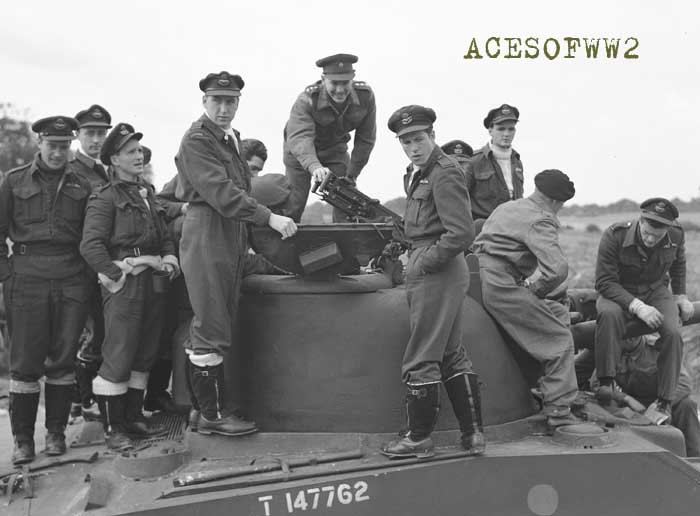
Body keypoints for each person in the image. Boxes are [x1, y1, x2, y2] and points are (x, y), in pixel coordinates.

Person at [175, 71, 297, 437]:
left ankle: (203, 410)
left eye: (231, 102)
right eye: (218, 101)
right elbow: (222, 192)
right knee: (211, 324)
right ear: (205, 102)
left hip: (228, 232)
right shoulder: (197, 140)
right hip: (208, 230)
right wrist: (269, 217)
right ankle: (213, 417)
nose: (225, 108)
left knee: (218, 320)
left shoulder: (229, 139)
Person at [380, 105, 484, 459]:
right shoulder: (418, 173)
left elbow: (461, 232)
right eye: (406, 141)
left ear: (432, 137)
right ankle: (473, 435)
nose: (413, 146)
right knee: (452, 352)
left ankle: (419, 436)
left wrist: (424, 262)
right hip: (438, 266)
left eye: (419, 139)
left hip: (436, 268)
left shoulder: (444, 172)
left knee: (422, 354)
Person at [80, 123, 179, 451]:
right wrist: (115, 274)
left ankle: (134, 417)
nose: (139, 156)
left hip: (153, 283)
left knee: (145, 351)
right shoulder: (105, 198)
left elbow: (163, 233)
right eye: (131, 152)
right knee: (120, 354)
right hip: (126, 285)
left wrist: (169, 257)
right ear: (115, 160)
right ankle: (113, 428)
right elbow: (90, 245)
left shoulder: (147, 192)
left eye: (139, 151)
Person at [0, 116, 92, 464]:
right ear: (39, 142)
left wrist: (83, 278)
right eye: (52, 145)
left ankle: (55, 433)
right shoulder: (13, 181)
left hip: (70, 278)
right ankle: (23, 440)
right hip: (26, 279)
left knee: (63, 359)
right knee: (24, 364)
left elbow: (89, 236)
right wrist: (7, 275)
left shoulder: (82, 185)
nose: (58, 152)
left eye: (64, 145)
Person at [473, 169, 578, 418]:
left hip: (478, 275)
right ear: (555, 201)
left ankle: (539, 385)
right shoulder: (541, 219)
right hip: (501, 284)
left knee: (557, 312)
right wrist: (535, 291)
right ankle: (558, 407)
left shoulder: (508, 207)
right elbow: (557, 270)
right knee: (560, 340)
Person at [594, 198, 692, 421]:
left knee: (673, 331)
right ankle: (606, 382)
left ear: (667, 229)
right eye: (646, 233)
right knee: (609, 315)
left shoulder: (676, 234)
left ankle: (664, 401)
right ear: (640, 221)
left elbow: (679, 265)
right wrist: (637, 307)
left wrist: (680, 296)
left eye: (656, 237)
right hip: (617, 290)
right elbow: (604, 282)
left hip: (655, 290)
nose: (650, 239)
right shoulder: (615, 235)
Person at [283, 53, 376, 222]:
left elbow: (366, 139)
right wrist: (314, 166)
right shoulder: (307, 100)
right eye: (334, 83)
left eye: (345, 83)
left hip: (336, 151)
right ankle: (284, 244)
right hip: (299, 154)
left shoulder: (365, 97)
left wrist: (352, 175)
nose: (340, 90)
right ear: (323, 79)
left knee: (347, 202)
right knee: (294, 204)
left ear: (353, 79)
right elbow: (300, 138)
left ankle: (345, 246)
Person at [575, 335, 700, 456]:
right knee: (604, 403)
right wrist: (624, 398)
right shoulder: (611, 349)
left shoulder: (659, 347)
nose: (629, 337)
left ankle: (694, 458)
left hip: (660, 400)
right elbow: (597, 384)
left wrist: (660, 405)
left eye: (633, 333)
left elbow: (684, 384)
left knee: (687, 405)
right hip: (629, 403)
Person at [69, 104, 113, 422]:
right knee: (91, 333)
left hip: (100, 260)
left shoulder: (103, 171)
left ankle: (81, 398)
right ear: (78, 135)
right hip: (79, 263)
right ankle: (84, 401)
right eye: (90, 133)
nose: (96, 140)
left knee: (100, 329)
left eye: (101, 133)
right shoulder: (72, 172)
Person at [464, 104, 524, 225]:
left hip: (511, 229)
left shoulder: (517, 162)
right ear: (490, 131)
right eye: (501, 129)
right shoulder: (474, 161)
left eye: (511, 129)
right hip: (483, 231)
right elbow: (460, 200)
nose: (506, 134)